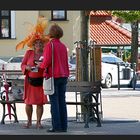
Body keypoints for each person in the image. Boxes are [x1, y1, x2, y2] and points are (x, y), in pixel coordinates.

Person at [16, 17, 49, 129]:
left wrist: (43, 66)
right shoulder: (29, 53)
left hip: (41, 82)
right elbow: (22, 65)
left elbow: (49, 66)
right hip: (30, 82)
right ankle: (29, 122)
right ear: (33, 45)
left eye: (41, 43)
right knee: (28, 103)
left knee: (40, 103)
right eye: (37, 43)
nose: (39, 45)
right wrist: (27, 68)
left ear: (43, 44)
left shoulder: (45, 53)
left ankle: (39, 122)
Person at [39, 24, 70, 132]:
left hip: (53, 76)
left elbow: (47, 61)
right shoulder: (63, 46)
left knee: (54, 102)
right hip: (64, 75)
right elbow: (66, 62)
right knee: (62, 101)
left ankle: (56, 126)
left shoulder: (49, 45)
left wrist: (40, 66)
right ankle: (64, 126)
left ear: (51, 33)